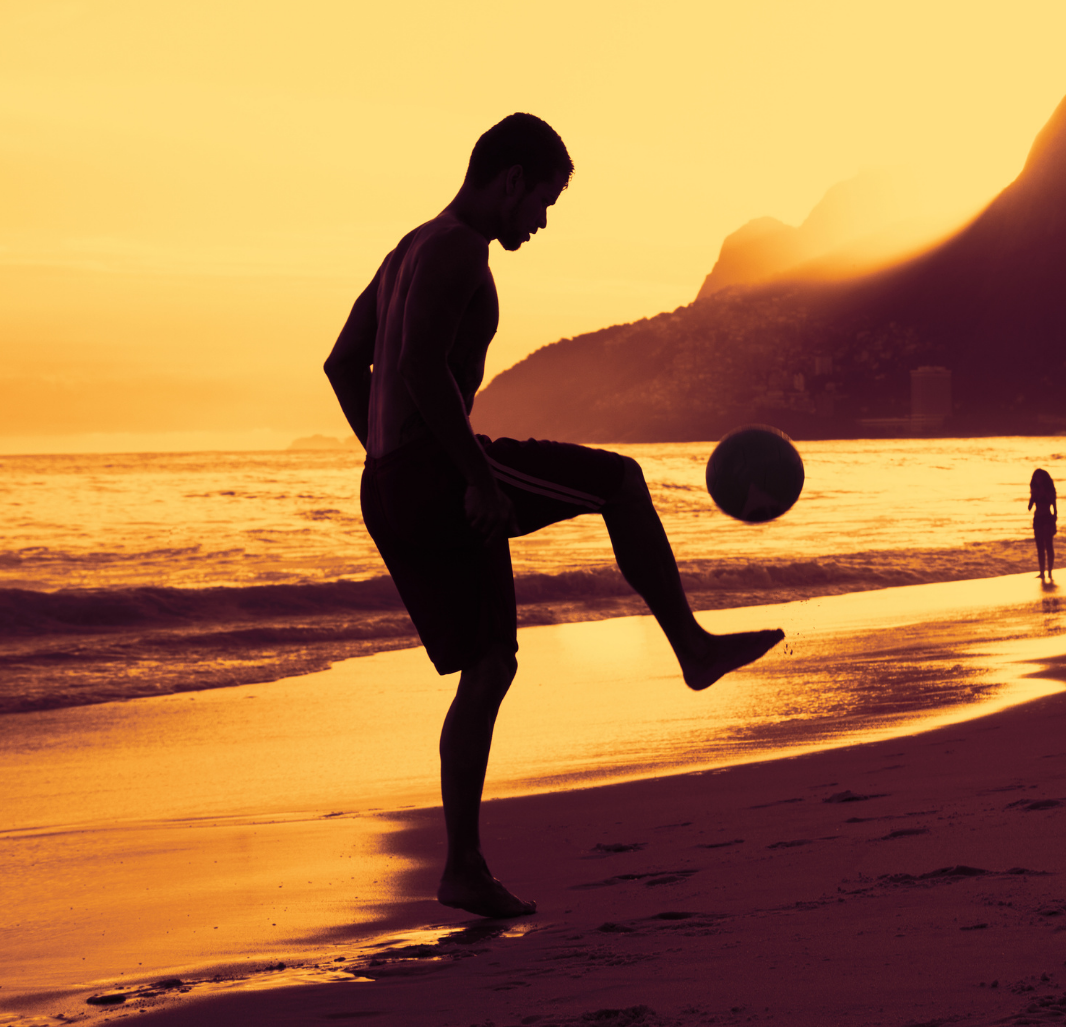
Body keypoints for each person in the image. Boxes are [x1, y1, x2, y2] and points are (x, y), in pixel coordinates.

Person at [324, 113, 784, 919]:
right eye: (543, 202)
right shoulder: (460, 248)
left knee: (490, 667)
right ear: (510, 180)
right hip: (434, 471)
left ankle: (464, 867)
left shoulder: (405, 250)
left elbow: (341, 364)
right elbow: (420, 367)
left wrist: (387, 455)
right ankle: (692, 646)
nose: (540, 221)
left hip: (388, 485)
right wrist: (467, 474)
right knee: (620, 481)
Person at [1029, 468, 1057, 582]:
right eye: (1036, 477)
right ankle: (1042, 572)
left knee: (1048, 546)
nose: (1038, 479)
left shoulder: (1050, 491)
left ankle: (1049, 572)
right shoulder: (1035, 491)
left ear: (1044, 478)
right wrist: (1033, 496)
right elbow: (1029, 507)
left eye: (1039, 477)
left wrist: (1054, 523)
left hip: (1047, 519)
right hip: (1037, 519)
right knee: (1040, 547)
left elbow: (1055, 509)